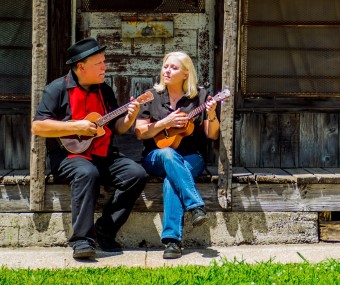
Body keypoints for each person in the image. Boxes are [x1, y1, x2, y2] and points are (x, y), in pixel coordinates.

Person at [32, 37, 147, 260]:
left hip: (103, 153)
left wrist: (130, 117)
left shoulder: (105, 90)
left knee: (136, 174)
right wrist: (76, 126)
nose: (105, 67)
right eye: (99, 63)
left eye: (104, 62)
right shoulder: (57, 89)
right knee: (87, 172)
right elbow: (38, 126)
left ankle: (105, 231)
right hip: (68, 155)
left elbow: (118, 128)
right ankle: (82, 240)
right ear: (81, 67)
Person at [134, 51, 220, 259]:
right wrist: (165, 123)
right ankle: (195, 205)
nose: (167, 71)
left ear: (185, 73)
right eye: (165, 66)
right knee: (168, 154)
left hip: (191, 157)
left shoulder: (199, 97)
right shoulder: (151, 96)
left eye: (173, 67)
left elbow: (212, 133)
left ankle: (172, 241)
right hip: (156, 156)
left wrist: (211, 114)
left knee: (171, 181)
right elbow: (139, 132)